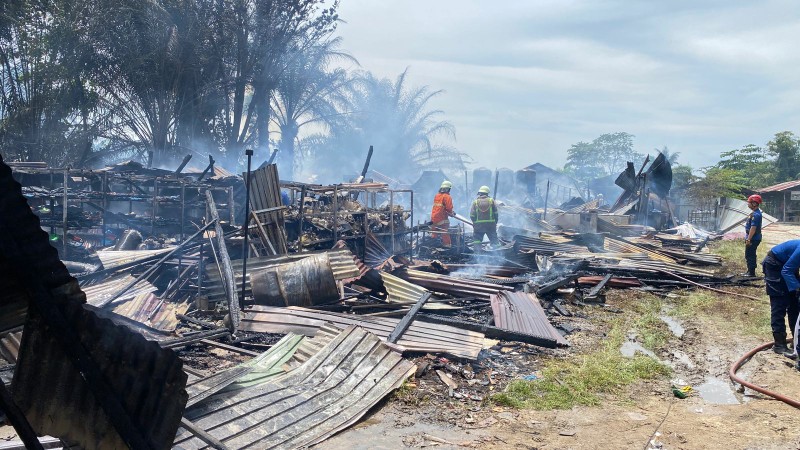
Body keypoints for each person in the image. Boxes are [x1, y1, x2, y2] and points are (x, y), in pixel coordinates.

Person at [761, 239, 800, 355]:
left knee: (795, 305)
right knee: (779, 304)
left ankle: (796, 342)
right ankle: (779, 344)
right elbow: (786, 271)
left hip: (788, 266)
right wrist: (797, 288)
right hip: (774, 265)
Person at [469, 185, 499, 252]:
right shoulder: (491, 201)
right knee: (494, 240)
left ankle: (477, 253)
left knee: (477, 239)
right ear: (487, 193)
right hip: (490, 225)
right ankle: (497, 253)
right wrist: (495, 222)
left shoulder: (475, 202)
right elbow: (496, 213)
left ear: (480, 193)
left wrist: (474, 223)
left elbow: (472, 215)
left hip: (479, 226)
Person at [430, 180, 456, 247]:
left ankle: (433, 243)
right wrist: (452, 213)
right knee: (445, 229)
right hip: (441, 218)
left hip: (433, 218)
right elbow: (449, 208)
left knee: (434, 230)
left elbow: (441, 207)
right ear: (448, 189)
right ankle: (447, 245)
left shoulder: (437, 196)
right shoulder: (447, 197)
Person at [743, 194, 763, 277]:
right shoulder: (754, 213)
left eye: (749, 202)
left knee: (750, 254)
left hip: (753, 238)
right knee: (749, 254)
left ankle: (751, 273)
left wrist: (748, 239)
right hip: (752, 238)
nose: (748, 204)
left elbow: (753, 228)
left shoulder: (756, 215)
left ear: (754, 204)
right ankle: (749, 271)